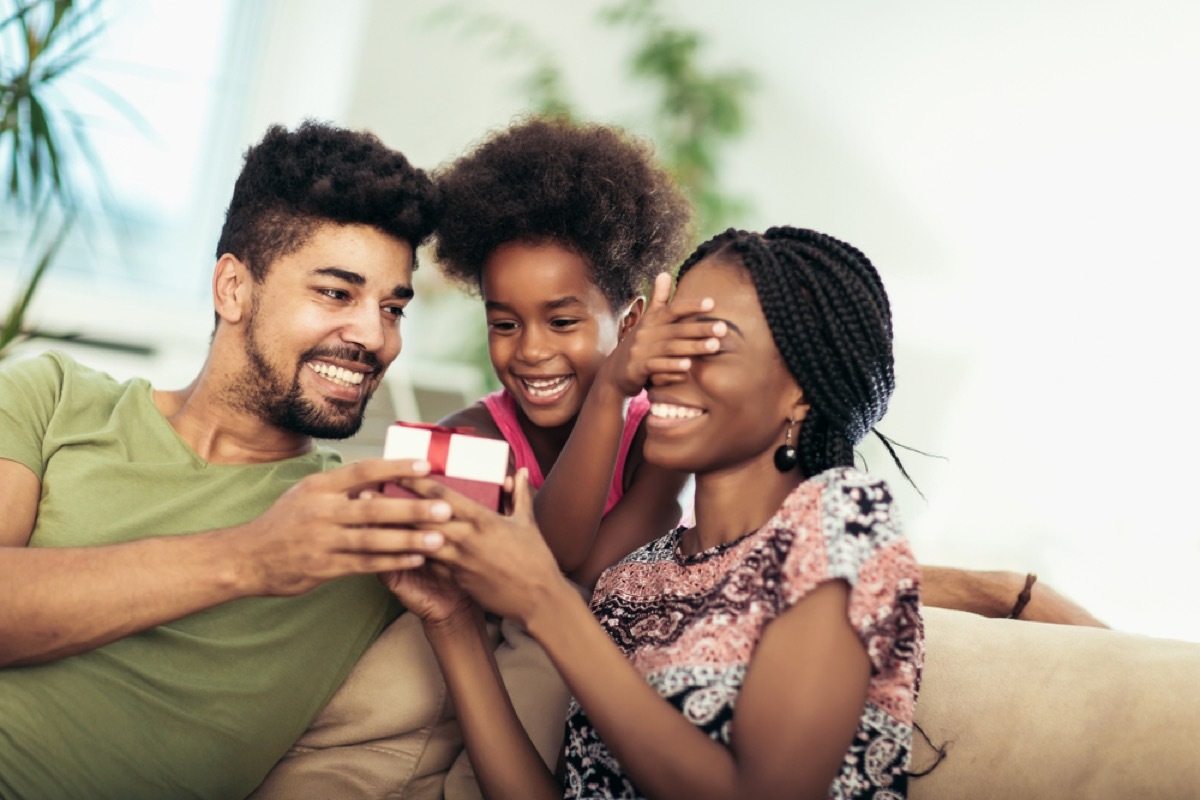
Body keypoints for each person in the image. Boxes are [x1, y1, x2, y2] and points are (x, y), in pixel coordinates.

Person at [389, 226, 924, 798]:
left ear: (802, 392)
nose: (664, 368)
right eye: (665, 339)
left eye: (707, 345)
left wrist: (544, 597)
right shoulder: (630, 579)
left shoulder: (843, 522)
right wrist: (453, 623)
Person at [0, 121, 450, 800]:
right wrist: (253, 558)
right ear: (233, 289)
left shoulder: (366, 524)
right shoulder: (53, 398)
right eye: (336, 293)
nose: (374, 337)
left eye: (393, 308)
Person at [434, 116, 695, 589]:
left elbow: (594, 577)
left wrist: (611, 394)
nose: (531, 350)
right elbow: (551, 563)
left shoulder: (659, 441)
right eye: (505, 324)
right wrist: (609, 391)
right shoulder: (467, 438)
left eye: (562, 322)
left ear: (629, 324)